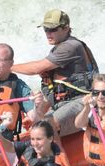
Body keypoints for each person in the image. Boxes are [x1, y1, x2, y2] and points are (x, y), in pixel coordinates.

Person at [11, 9, 99, 138]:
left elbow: (37, 68)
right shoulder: (58, 48)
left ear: (66, 28)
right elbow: (55, 93)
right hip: (64, 103)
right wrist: (38, 113)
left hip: (82, 101)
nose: (48, 33)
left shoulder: (70, 46)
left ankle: (58, 157)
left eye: (52, 29)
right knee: (37, 127)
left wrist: (9, 67)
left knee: (46, 127)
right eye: (45, 29)